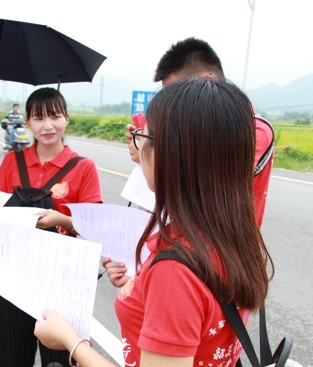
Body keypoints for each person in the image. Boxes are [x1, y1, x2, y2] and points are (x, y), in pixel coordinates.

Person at [34, 78, 274, 367]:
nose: (138, 149)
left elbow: (180, 291)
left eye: (143, 137)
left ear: (175, 156)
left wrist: (71, 341)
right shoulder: (233, 234)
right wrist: (141, 286)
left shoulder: (175, 271)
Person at [0, 87, 103, 367]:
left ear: (68, 119)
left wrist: (61, 220)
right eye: (39, 118)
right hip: (15, 275)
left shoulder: (83, 167)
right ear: (27, 123)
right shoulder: (12, 161)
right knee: (8, 357)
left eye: (55, 116)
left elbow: (96, 226)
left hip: (63, 281)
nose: (48, 125)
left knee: (59, 361)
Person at [125, 37, 274, 226]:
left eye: (178, 92)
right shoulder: (196, 123)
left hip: (220, 242)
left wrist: (151, 152)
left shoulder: (253, 128)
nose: (172, 103)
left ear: (207, 80)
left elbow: (203, 176)